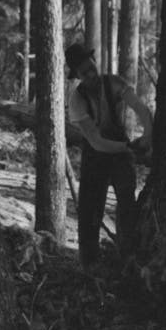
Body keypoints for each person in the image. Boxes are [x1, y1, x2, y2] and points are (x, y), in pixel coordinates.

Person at [65, 42, 153, 268]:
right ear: (76, 75)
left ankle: (128, 257)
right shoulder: (77, 100)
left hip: (120, 151)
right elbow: (96, 141)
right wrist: (129, 148)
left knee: (126, 204)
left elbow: (142, 110)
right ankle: (89, 264)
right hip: (97, 155)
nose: (92, 74)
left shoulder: (113, 83)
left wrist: (148, 135)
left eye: (92, 67)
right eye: (85, 72)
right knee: (90, 211)